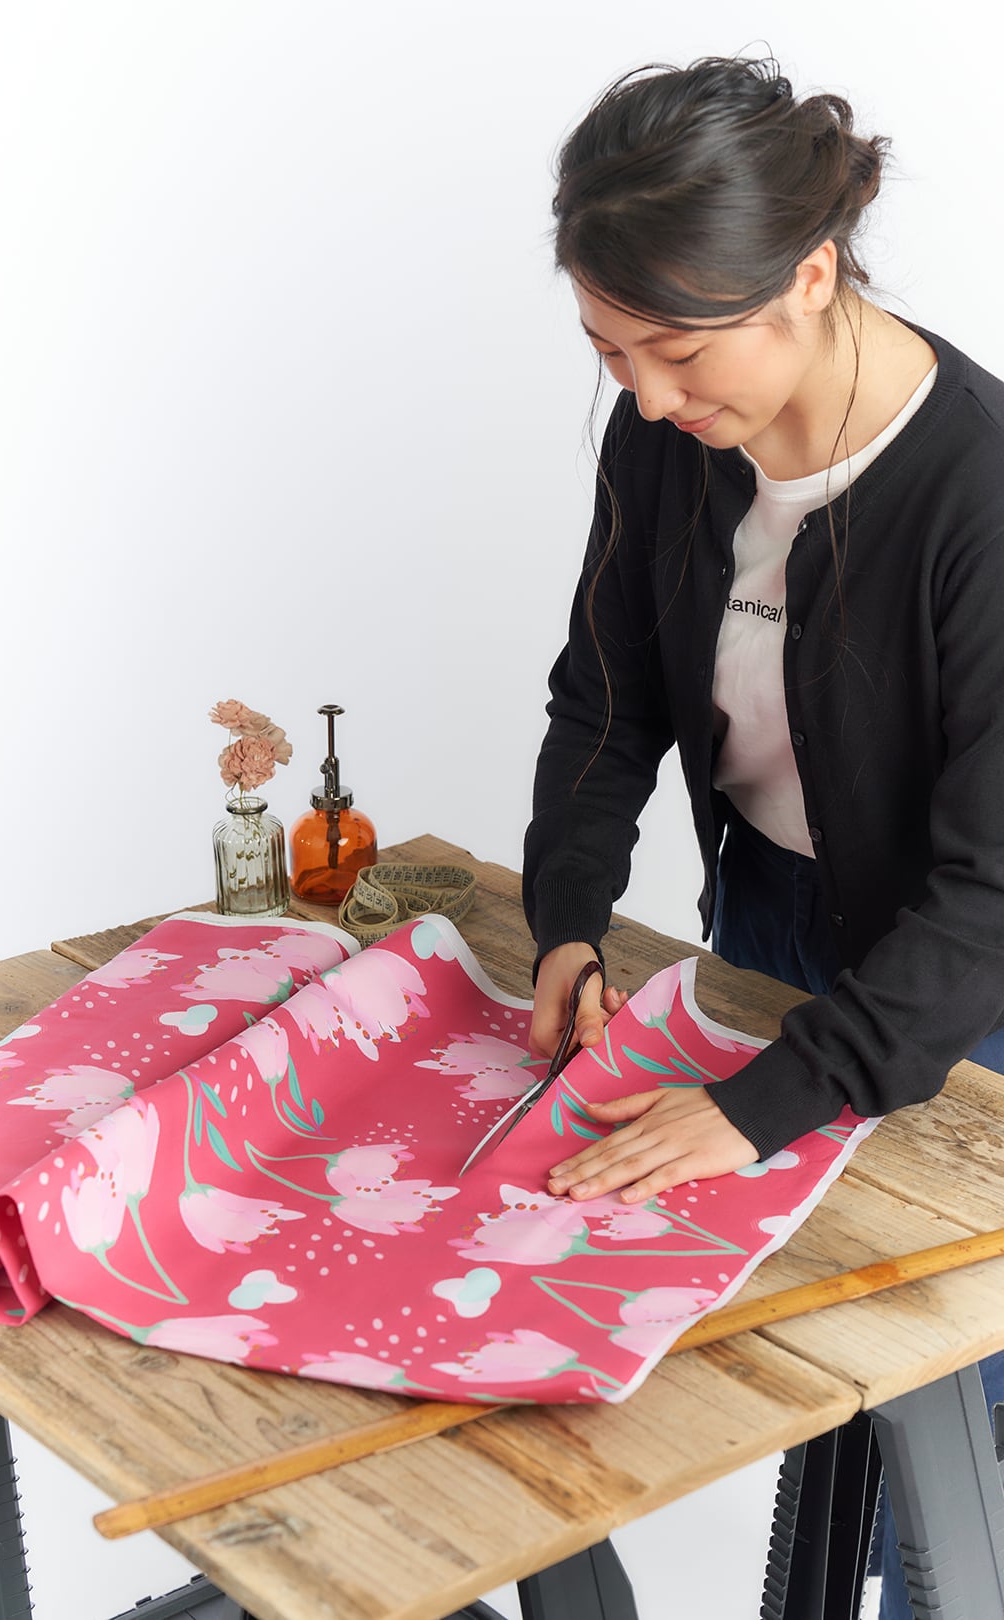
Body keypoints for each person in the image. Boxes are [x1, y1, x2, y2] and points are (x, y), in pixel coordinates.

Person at [520, 55, 1004, 1619]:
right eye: (610, 354)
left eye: (676, 350)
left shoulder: (981, 492)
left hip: (970, 985)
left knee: (957, 1420)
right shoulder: (664, 438)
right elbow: (605, 698)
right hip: (778, 928)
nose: (651, 401)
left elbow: (992, 891)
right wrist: (569, 916)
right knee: (809, 1363)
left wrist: (768, 1101)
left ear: (810, 273)